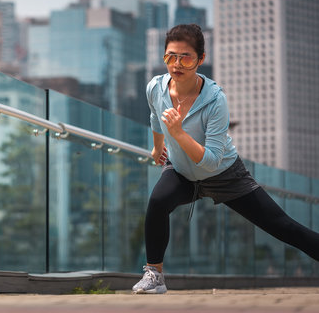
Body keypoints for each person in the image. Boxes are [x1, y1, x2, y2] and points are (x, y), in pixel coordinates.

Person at [132, 24, 319, 294]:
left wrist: (178, 133)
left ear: (201, 59)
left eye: (186, 57)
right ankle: (154, 276)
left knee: (282, 226)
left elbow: (210, 160)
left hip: (224, 174)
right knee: (157, 202)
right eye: (170, 56)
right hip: (182, 171)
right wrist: (156, 147)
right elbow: (155, 117)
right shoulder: (156, 87)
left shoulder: (215, 100)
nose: (177, 64)